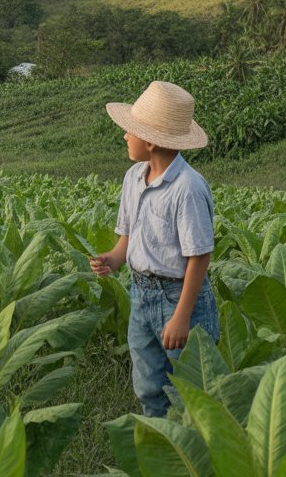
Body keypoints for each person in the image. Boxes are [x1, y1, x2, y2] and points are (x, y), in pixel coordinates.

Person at [89, 80, 219, 418]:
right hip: (141, 295)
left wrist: (181, 317)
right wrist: (113, 259)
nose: (124, 136)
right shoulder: (133, 176)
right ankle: (161, 445)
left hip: (180, 299)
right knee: (148, 384)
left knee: (191, 392)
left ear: (149, 141)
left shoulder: (188, 188)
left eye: (129, 131)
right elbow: (128, 237)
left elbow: (199, 256)